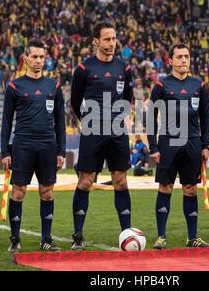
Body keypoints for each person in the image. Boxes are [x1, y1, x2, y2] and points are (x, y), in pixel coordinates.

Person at [70, 21, 133, 250]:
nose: (112, 43)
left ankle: (127, 232)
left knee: (121, 180)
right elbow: (75, 102)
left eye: (114, 38)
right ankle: (78, 235)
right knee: (85, 182)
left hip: (117, 131)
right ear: (96, 41)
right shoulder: (84, 68)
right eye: (107, 39)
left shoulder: (123, 68)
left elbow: (128, 98)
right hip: (93, 130)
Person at [0, 40, 66, 253]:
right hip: (23, 145)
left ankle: (46, 239)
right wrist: (5, 152)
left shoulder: (54, 86)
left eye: (41, 57)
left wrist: (61, 150)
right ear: (26, 58)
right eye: (34, 56)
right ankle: (15, 239)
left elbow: (60, 122)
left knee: (47, 193)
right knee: (18, 193)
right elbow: (6, 122)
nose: (38, 61)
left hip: (47, 145)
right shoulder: (14, 86)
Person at [147, 43, 209, 249]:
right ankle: (161, 236)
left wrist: (206, 144)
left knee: (190, 189)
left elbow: (206, 117)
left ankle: (192, 237)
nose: (184, 60)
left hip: (192, 141)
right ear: (171, 61)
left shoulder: (199, 86)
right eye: (179, 57)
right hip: (168, 142)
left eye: (187, 56)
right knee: (165, 187)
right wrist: (153, 146)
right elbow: (150, 116)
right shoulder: (161, 85)